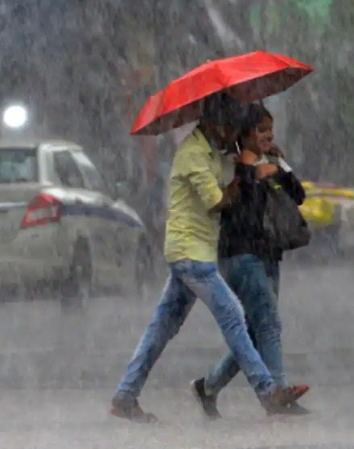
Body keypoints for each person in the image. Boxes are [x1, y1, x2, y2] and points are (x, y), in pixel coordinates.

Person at [110, 93, 307, 423]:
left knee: (161, 329)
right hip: (190, 255)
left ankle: (125, 396)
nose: (234, 135)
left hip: (196, 252)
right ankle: (266, 390)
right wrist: (245, 171)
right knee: (233, 316)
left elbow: (240, 173)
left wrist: (259, 158)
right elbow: (218, 202)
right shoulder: (192, 155)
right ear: (216, 125)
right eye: (231, 129)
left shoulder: (214, 152)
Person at [191, 103, 310, 419]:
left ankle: (209, 386)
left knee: (256, 333)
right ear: (244, 135)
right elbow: (236, 210)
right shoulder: (229, 166)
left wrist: (278, 168)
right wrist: (251, 175)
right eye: (260, 131)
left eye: (270, 129)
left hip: (270, 253)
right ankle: (277, 393)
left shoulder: (272, 160)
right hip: (240, 256)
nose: (267, 135)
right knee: (269, 323)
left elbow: (298, 195)